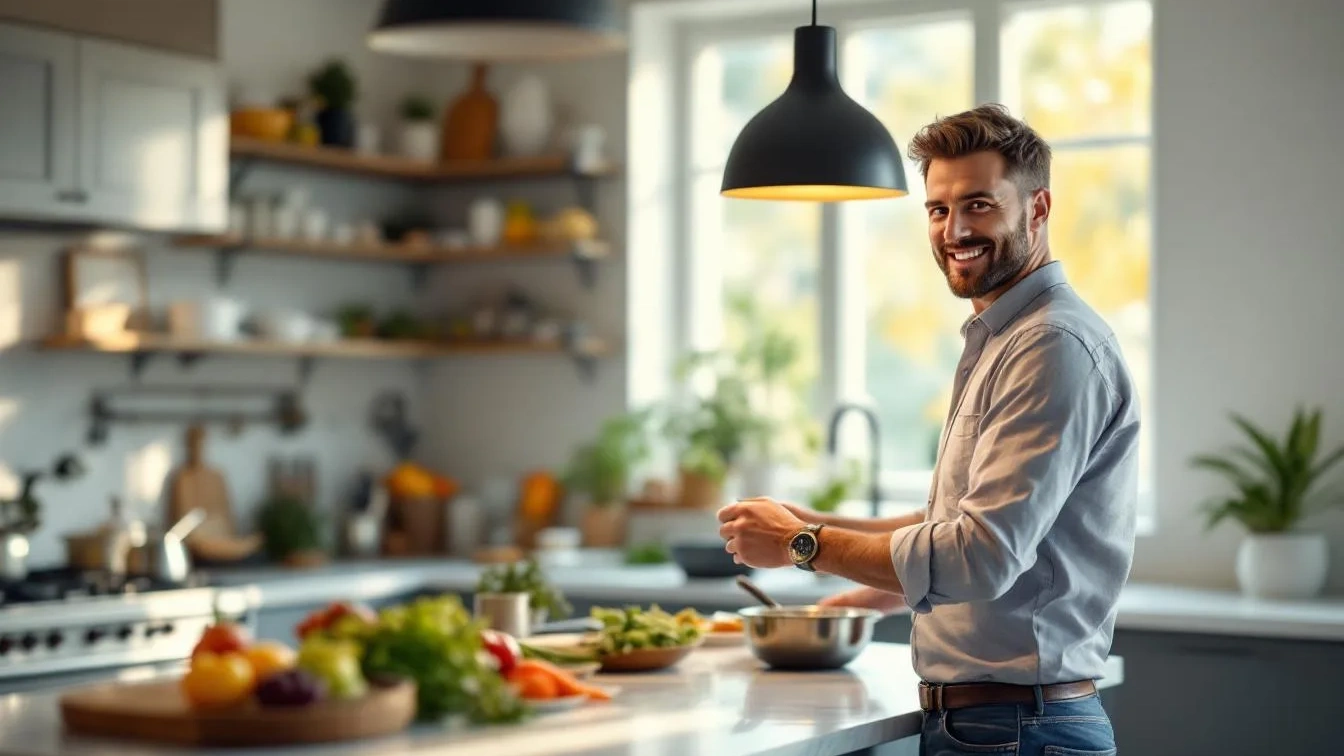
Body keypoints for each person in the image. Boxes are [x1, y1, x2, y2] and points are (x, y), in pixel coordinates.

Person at [717, 103, 1139, 756]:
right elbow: (955, 519)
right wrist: (824, 531)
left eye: (978, 205)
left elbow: (981, 555)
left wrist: (802, 542)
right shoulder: (1005, 337)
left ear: (1038, 208)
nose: (953, 230)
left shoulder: (1050, 346)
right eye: (938, 210)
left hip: (1020, 733)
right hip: (993, 728)